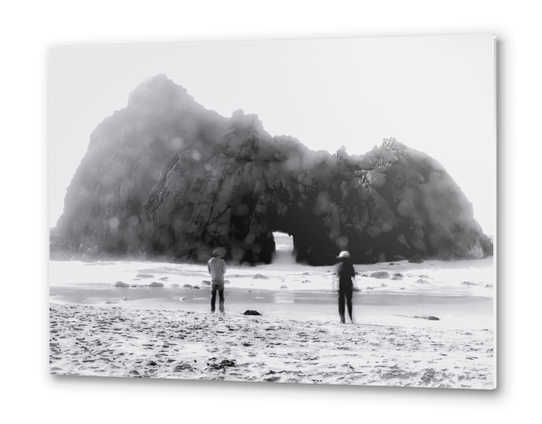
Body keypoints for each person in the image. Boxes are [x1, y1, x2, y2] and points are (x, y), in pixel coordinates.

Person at [334, 251, 356, 324]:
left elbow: (337, 276)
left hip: (341, 285)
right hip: (349, 284)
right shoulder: (350, 265)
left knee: (341, 302)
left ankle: (342, 318)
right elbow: (353, 276)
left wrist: (335, 287)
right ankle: (351, 318)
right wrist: (355, 286)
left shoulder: (339, 265)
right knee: (349, 301)